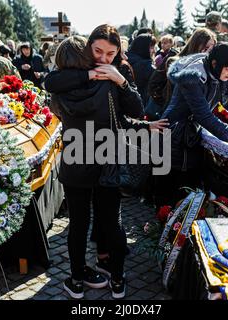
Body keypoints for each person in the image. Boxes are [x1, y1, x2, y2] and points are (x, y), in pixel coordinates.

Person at [44, 25, 168, 300]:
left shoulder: (72, 82)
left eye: (110, 53)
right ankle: (118, 279)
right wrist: (115, 79)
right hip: (105, 158)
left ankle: (76, 280)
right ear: (87, 48)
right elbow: (136, 110)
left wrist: (116, 78)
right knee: (110, 223)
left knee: (81, 224)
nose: (103, 58)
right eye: (98, 51)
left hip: (77, 159)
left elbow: (50, 83)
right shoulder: (104, 80)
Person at [157, 43, 228, 209]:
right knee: (170, 190)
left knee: (188, 189)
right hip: (172, 135)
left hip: (190, 135)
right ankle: (166, 228)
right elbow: (204, 116)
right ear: (215, 64)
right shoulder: (193, 76)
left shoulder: (218, 75)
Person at [147, 28, 216, 120]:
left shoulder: (207, 66)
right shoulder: (175, 61)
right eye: (206, 48)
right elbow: (153, 85)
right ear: (196, 44)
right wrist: (166, 104)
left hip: (192, 121)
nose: (207, 53)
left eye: (211, 50)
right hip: (169, 118)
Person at [127, 33, 157, 106]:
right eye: (152, 47)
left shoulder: (126, 59)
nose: (154, 50)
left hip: (125, 103)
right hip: (141, 104)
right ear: (144, 47)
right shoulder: (147, 66)